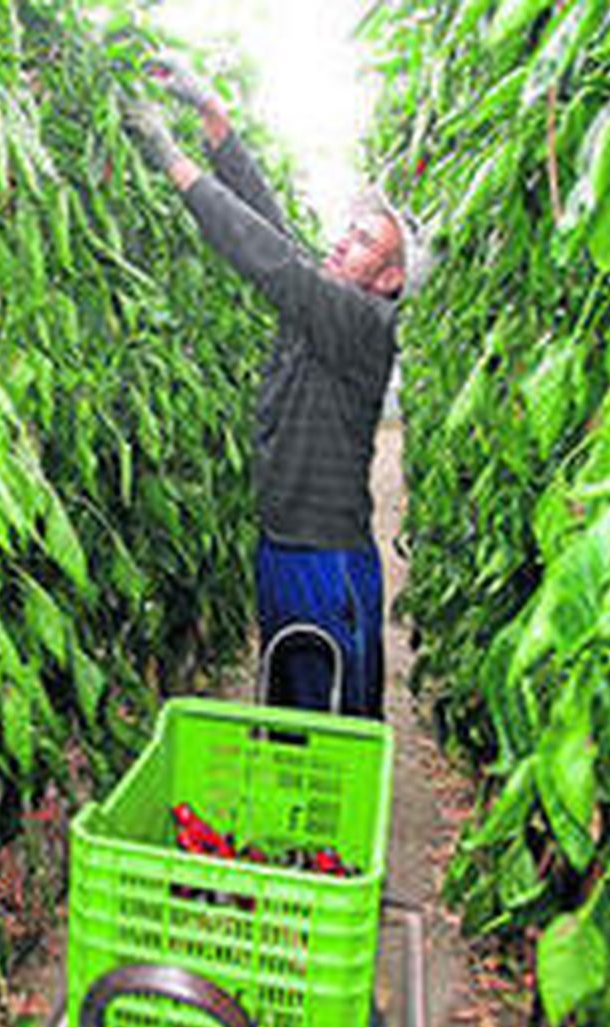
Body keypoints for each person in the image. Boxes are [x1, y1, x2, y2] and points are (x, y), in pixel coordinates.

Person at [125, 56, 424, 718]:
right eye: (349, 230)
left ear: (389, 281)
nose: (343, 242)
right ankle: (297, 816)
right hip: (288, 546)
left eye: (365, 241)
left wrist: (175, 163)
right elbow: (274, 228)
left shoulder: (361, 322)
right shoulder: (326, 305)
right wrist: (215, 121)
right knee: (293, 712)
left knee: (332, 723)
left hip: (325, 558)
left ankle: (334, 823)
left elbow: (270, 259)